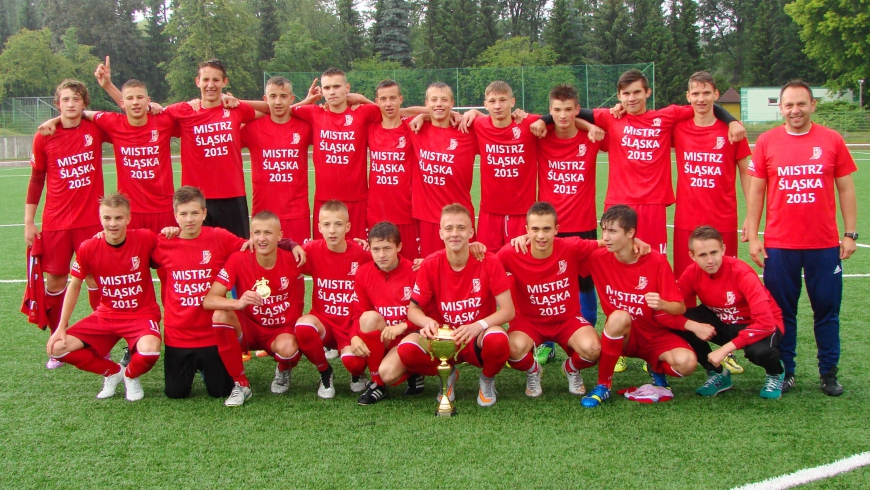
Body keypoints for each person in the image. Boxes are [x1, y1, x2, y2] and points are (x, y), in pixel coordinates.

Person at [532, 69, 745, 256]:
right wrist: (544, 119)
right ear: (619, 96)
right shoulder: (610, 117)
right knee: (616, 260)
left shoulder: (666, 116)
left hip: (653, 205)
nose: (631, 98)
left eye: (636, 92)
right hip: (618, 202)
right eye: (626, 94)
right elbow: (567, 114)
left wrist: (732, 121)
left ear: (647, 93)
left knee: (653, 260)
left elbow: (704, 105)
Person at [745, 80, 858, 396]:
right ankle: (786, 371)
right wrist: (754, 237)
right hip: (780, 246)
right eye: (789, 105)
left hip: (823, 246)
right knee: (783, 312)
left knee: (827, 311)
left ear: (813, 105)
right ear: (780, 108)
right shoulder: (767, 141)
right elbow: (756, 192)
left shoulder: (832, 140)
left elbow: (846, 189)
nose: (795, 110)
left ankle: (828, 373)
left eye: (801, 104)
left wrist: (849, 234)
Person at [98, 58, 258, 238]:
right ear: (197, 82)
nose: (210, 85)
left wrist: (232, 98)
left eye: (216, 80)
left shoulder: (235, 109)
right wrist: (111, 87)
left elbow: (271, 110)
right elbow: (136, 107)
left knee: (238, 251)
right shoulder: (184, 110)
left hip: (232, 196)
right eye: (206, 79)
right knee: (198, 254)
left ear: (224, 82)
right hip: (194, 198)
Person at [579, 205, 701, 408]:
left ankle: (656, 368)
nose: (606, 237)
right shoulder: (597, 257)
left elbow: (679, 307)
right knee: (618, 316)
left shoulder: (656, 261)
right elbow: (563, 250)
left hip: (655, 335)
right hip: (625, 335)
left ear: (631, 233)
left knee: (687, 363)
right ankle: (603, 385)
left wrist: (662, 304)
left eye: (613, 231)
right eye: (604, 230)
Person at [45, 193, 161, 401]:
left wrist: (172, 231)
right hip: (107, 315)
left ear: (128, 218)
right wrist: (61, 326)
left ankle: (130, 376)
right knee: (57, 348)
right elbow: (74, 285)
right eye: (107, 218)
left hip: (141, 314)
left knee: (150, 352)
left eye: (118, 218)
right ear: (100, 219)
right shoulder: (89, 247)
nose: (112, 223)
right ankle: (113, 372)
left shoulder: (145, 238)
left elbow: (172, 252)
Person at [398, 203, 515, 408]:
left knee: (498, 340)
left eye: (461, 228)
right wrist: (427, 322)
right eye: (449, 228)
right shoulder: (431, 264)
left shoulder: (489, 260)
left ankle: (487, 380)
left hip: (475, 337)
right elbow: (413, 310)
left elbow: (508, 310)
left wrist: (478, 325)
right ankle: (448, 375)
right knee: (407, 350)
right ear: (440, 232)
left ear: (471, 231)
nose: (455, 234)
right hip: (444, 338)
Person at [26, 79, 106, 368]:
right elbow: (36, 180)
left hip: (90, 221)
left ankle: (102, 340)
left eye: (76, 99)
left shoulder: (95, 129)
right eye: (65, 100)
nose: (70, 104)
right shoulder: (44, 136)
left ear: (84, 103)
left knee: (95, 279)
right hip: (56, 222)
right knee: (56, 280)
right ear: (57, 103)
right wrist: (28, 221)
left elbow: (127, 123)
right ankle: (57, 339)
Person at [39, 76, 177, 234]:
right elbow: (81, 113)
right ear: (122, 103)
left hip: (164, 208)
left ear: (148, 100)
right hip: (129, 211)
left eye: (140, 98)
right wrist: (55, 120)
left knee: (165, 257)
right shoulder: (113, 122)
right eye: (130, 98)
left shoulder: (164, 121)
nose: (135, 102)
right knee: (132, 257)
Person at [498, 202, 603, 397]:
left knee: (594, 349)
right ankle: (533, 369)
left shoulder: (571, 246)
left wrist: (634, 242)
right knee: (511, 350)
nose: (540, 236)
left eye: (547, 229)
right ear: (526, 230)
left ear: (557, 229)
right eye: (535, 229)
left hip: (567, 319)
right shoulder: (511, 252)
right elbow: (486, 265)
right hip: (528, 321)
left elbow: (605, 243)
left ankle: (571, 368)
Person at [152, 186, 246, 400]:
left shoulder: (219, 237)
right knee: (176, 393)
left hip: (210, 333)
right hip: (178, 335)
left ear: (204, 213)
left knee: (220, 391)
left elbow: (252, 246)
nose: (189, 219)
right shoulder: (164, 243)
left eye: (195, 213)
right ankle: (193, 366)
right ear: (175, 216)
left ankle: (208, 365)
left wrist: (289, 244)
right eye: (183, 214)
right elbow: (133, 248)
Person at [204, 211, 306, 406]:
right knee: (220, 315)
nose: (261, 238)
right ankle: (241, 384)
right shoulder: (238, 259)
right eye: (256, 232)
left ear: (279, 236)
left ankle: (284, 369)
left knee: (289, 349)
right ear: (250, 235)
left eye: (268, 233)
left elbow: (331, 256)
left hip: (281, 330)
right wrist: (238, 303)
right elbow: (209, 300)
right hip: (248, 327)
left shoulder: (295, 259)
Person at [534, 84, 605, 363]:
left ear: (577, 109)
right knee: (549, 285)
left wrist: (587, 125)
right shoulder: (541, 134)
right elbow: (525, 119)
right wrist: (544, 120)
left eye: (568, 110)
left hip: (584, 222)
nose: (562, 116)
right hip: (549, 229)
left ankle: (585, 332)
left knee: (585, 283)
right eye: (556, 111)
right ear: (550, 111)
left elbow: (606, 115)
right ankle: (547, 341)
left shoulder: (593, 137)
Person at [675, 226, 785, 398]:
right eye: (703, 255)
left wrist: (724, 350)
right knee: (680, 321)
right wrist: (692, 325)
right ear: (692, 256)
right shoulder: (692, 273)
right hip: (722, 320)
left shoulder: (742, 273)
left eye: (714, 252)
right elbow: (672, 304)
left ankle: (775, 373)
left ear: (723, 250)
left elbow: (766, 323)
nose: (710, 260)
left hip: (759, 325)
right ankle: (718, 374)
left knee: (758, 352)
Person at [672, 72, 752, 279]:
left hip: (722, 220)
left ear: (716, 95)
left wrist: (751, 215)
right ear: (688, 96)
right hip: (686, 220)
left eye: (706, 93)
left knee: (724, 280)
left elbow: (747, 173)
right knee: (684, 280)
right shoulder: (678, 128)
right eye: (696, 93)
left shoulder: (733, 131)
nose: (701, 99)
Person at [295, 200, 373, 398]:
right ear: (319, 227)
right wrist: (290, 244)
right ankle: (325, 372)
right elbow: (280, 257)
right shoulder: (310, 250)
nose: (332, 230)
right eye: (327, 225)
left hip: (350, 326)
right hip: (324, 323)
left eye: (338, 224)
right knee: (303, 327)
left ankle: (357, 374)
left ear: (347, 227)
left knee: (353, 362)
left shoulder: (361, 254)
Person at [350, 221, 424, 405]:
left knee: (389, 374)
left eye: (387, 248)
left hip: (409, 336)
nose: (381, 255)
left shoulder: (414, 271)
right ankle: (377, 384)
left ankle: (414, 369)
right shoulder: (363, 273)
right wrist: (353, 337)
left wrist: (404, 326)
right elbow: (358, 314)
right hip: (384, 337)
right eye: (376, 249)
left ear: (399, 247)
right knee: (368, 319)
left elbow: (429, 314)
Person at [461, 81, 540, 250]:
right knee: (487, 261)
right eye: (492, 101)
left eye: (503, 100)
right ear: (485, 105)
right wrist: (473, 112)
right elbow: (442, 114)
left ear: (512, 102)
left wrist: (589, 126)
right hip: (490, 213)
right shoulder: (479, 125)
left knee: (520, 261)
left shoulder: (528, 124)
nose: (497, 106)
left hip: (522, 212)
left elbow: (560, 117)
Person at [408, 83, 478, 257]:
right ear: (426, 103)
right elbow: (393, 111)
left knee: (465, 270)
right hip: (428, 219)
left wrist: (475, 112)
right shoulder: (417, 129)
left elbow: (495, 124)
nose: (439, 104)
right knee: (430, 270)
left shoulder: (467, 131)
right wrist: (424, 116)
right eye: (434, 100)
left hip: (460, 218)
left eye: (444, 100)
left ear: (452, 103)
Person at [240, 76, 313, 244]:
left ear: (292, 99)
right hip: (263, 212)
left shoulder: (305, 127)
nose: (278, 102)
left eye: (283, 96)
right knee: (264, 264)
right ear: (265, 99)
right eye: (273, 97)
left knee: (296, 264)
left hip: (297, 212)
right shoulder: (252, 128)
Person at [366, 80, 418, 260]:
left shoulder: (412, 126)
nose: (388, 104)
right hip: (376, 212)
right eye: (383, 99)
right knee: (379, 265)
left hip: (406, 213)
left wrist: (424, 117)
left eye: (393, 98)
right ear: (377, 101)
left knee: (409, 267)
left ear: (401, 99)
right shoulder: (370, 128)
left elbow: (435, 110)